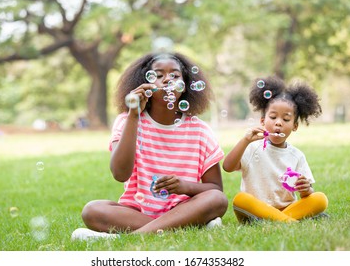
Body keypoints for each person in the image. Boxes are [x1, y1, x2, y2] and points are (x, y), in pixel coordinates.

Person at [72, 52, 228, 240]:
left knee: (217, 200)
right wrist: (133, 115)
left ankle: (127, 238)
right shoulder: (127, 121)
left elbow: (215, 189)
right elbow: (120, 174)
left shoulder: (200, 130)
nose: (167, 80)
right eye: (158, 75)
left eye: (175, 75)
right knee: (92, 210)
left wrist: (183, 186)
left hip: (184, 209)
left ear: (185, 84)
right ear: (144, 84)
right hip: (136, 213)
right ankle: (185, 227)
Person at [222, 76, 328, 223]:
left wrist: (306, 190)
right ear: (262, 121)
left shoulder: (297, 156)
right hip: (254, 209)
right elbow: (227, 167)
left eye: (286, 119)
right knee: (240, 199)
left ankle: (279, 220)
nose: (278, 123)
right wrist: (245, 140)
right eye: (273, 117)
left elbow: (307, 194)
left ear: (295, 126)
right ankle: (290, 221)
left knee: (320, 199)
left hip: (287, 208)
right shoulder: (252, 147)